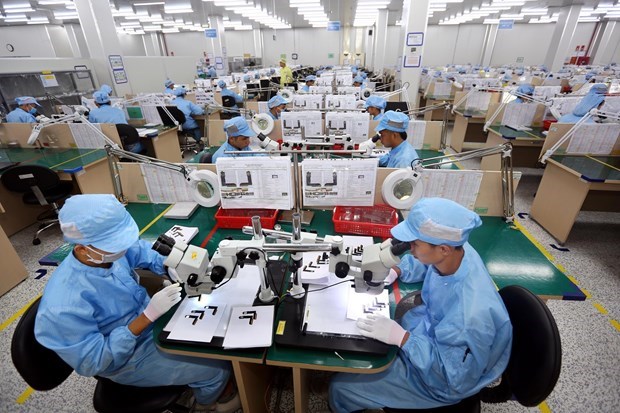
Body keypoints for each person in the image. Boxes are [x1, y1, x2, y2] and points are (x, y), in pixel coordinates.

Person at [34, 194, 240, 413]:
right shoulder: (62, 305)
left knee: (216, 339)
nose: (122, 247)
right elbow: (94, 362)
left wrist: (171, 266)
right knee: (216, 367)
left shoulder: (106, 251)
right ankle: (204, 405)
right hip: (126, 358)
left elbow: (140, 250)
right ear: (83, 249)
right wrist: (146, 318)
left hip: (152, 323)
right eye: (115, 244)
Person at [328, 197, 513, 412]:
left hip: (440, 381)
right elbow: (428, 263)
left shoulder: (469, 316)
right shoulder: (458, 251)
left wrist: (404, 340)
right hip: (430, 333)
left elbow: (452, 378)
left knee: (340, 388)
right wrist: (396, 270)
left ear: (443, 248)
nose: (410, 248)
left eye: (414, 243)